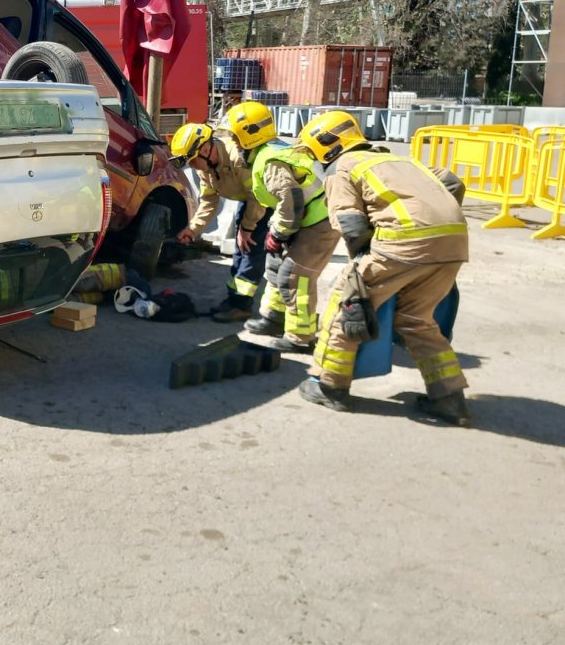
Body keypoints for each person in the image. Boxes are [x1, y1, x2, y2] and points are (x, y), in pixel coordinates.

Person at [293, 111, 471, 426]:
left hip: (403, 241)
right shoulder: (404, 161)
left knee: (346, 304)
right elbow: (452, 182)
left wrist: (359, 264)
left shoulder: (343, 166)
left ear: (326, 145)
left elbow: (349, 221)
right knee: (416, 320)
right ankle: (448, 398)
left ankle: (330, 386)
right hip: (453, 243)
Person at [225, 101, 339, 353]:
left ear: (247, 137)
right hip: (305, 217)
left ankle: (301, 337)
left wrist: (279, 232)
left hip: (320, 221)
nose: (231, 143)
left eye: (234, 137)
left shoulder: (269, 161)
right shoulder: (270, 151)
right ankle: (274, 318)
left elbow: (291, 198)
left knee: (296, 275)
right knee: (275, 265)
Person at [170, 121, 273, 321]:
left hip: (266, 201)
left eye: (192, 160)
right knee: (240, 251)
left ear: (206, 149)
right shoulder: (204, 168)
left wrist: (247, 227)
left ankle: (241, 306)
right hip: (249, 199)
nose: (192, 165)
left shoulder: (237, 158)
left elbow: (258, 197)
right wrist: (193, 229)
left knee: (250, 250)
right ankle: (234, 300)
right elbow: (209, 200)